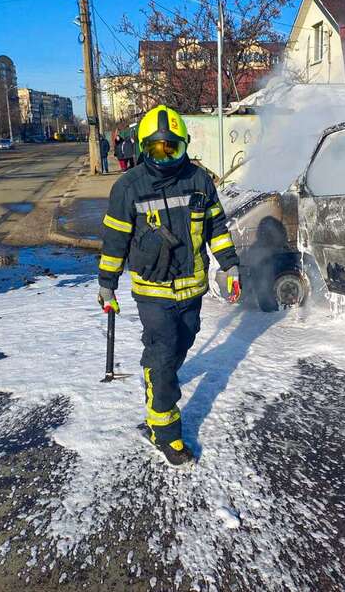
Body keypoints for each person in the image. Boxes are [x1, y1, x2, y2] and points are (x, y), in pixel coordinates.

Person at [97, 105, 241, 467]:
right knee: (163, 356)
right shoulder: (128, 187)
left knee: (182, 343)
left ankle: (156, 376)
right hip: (153, 292)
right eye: (156, 149)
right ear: (143, 148)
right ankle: (165, 432)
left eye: (172, 149)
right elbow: (115, 240)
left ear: (184, 145)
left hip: (192, 288)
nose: (165, 157)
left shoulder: (199, 180)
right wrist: (107, 284)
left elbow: (217, 228)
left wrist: (231, 265)